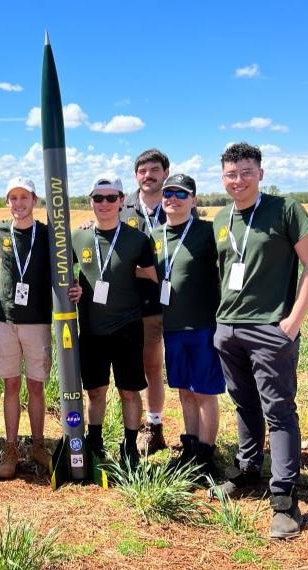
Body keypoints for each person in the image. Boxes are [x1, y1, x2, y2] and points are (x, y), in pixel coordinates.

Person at [209, 142, 308, 540]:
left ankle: (284, 499)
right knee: (244, 403)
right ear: (222, 177)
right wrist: (220, 325)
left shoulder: (286, 209)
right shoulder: (221, 219)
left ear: (260, 173)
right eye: (230, 174)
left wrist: (291, 322)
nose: (238, 180)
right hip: (228, 329)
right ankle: (246, 470)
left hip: (270, 330)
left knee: (278, 410)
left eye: (245, 172)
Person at [0, 177, 82, 478]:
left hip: (38, 321)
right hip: (5, 320)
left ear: (35, 201)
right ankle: (12, 447)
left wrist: (74, 286)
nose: (18, 203)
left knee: (36, 386)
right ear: (6, 202)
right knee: (10, 384)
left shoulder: (47, 234)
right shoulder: (0, 231)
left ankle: (38, 444)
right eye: (12, 198)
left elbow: (67, 268)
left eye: (24, 197)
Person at [72, 176, 158, 469]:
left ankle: (130, 446)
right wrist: (76, 285)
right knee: (95, 391)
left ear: (122, 200)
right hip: (92, 330)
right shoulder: (79, 237)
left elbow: (153, 275)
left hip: (127, 328)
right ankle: (94, 443)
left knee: (129, 391)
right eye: (99, 198)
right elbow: (64, 275)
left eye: (112, 198)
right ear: (91, 202)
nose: (105, 204)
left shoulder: (137, 239)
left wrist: (128, 274)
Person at [151, 174, 224, 477]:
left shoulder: (208, 232)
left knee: (205, 391)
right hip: (172, 328)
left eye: (182, 194)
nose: (173, 199)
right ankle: (190, 448)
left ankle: (207, 455)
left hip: (203, 326)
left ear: (194, 201)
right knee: (183, 390)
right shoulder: (154, 236)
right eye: (168, 193)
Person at [122, 149, 171, 455]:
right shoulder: (123, 207)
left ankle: (155, 426)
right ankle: (143, 427)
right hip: (136, 302)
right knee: (145, 365)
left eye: (154, 170)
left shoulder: (177, 202)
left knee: (166, 368)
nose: (148, 175)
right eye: (142, 171)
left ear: (165, 172)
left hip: (174, 300)